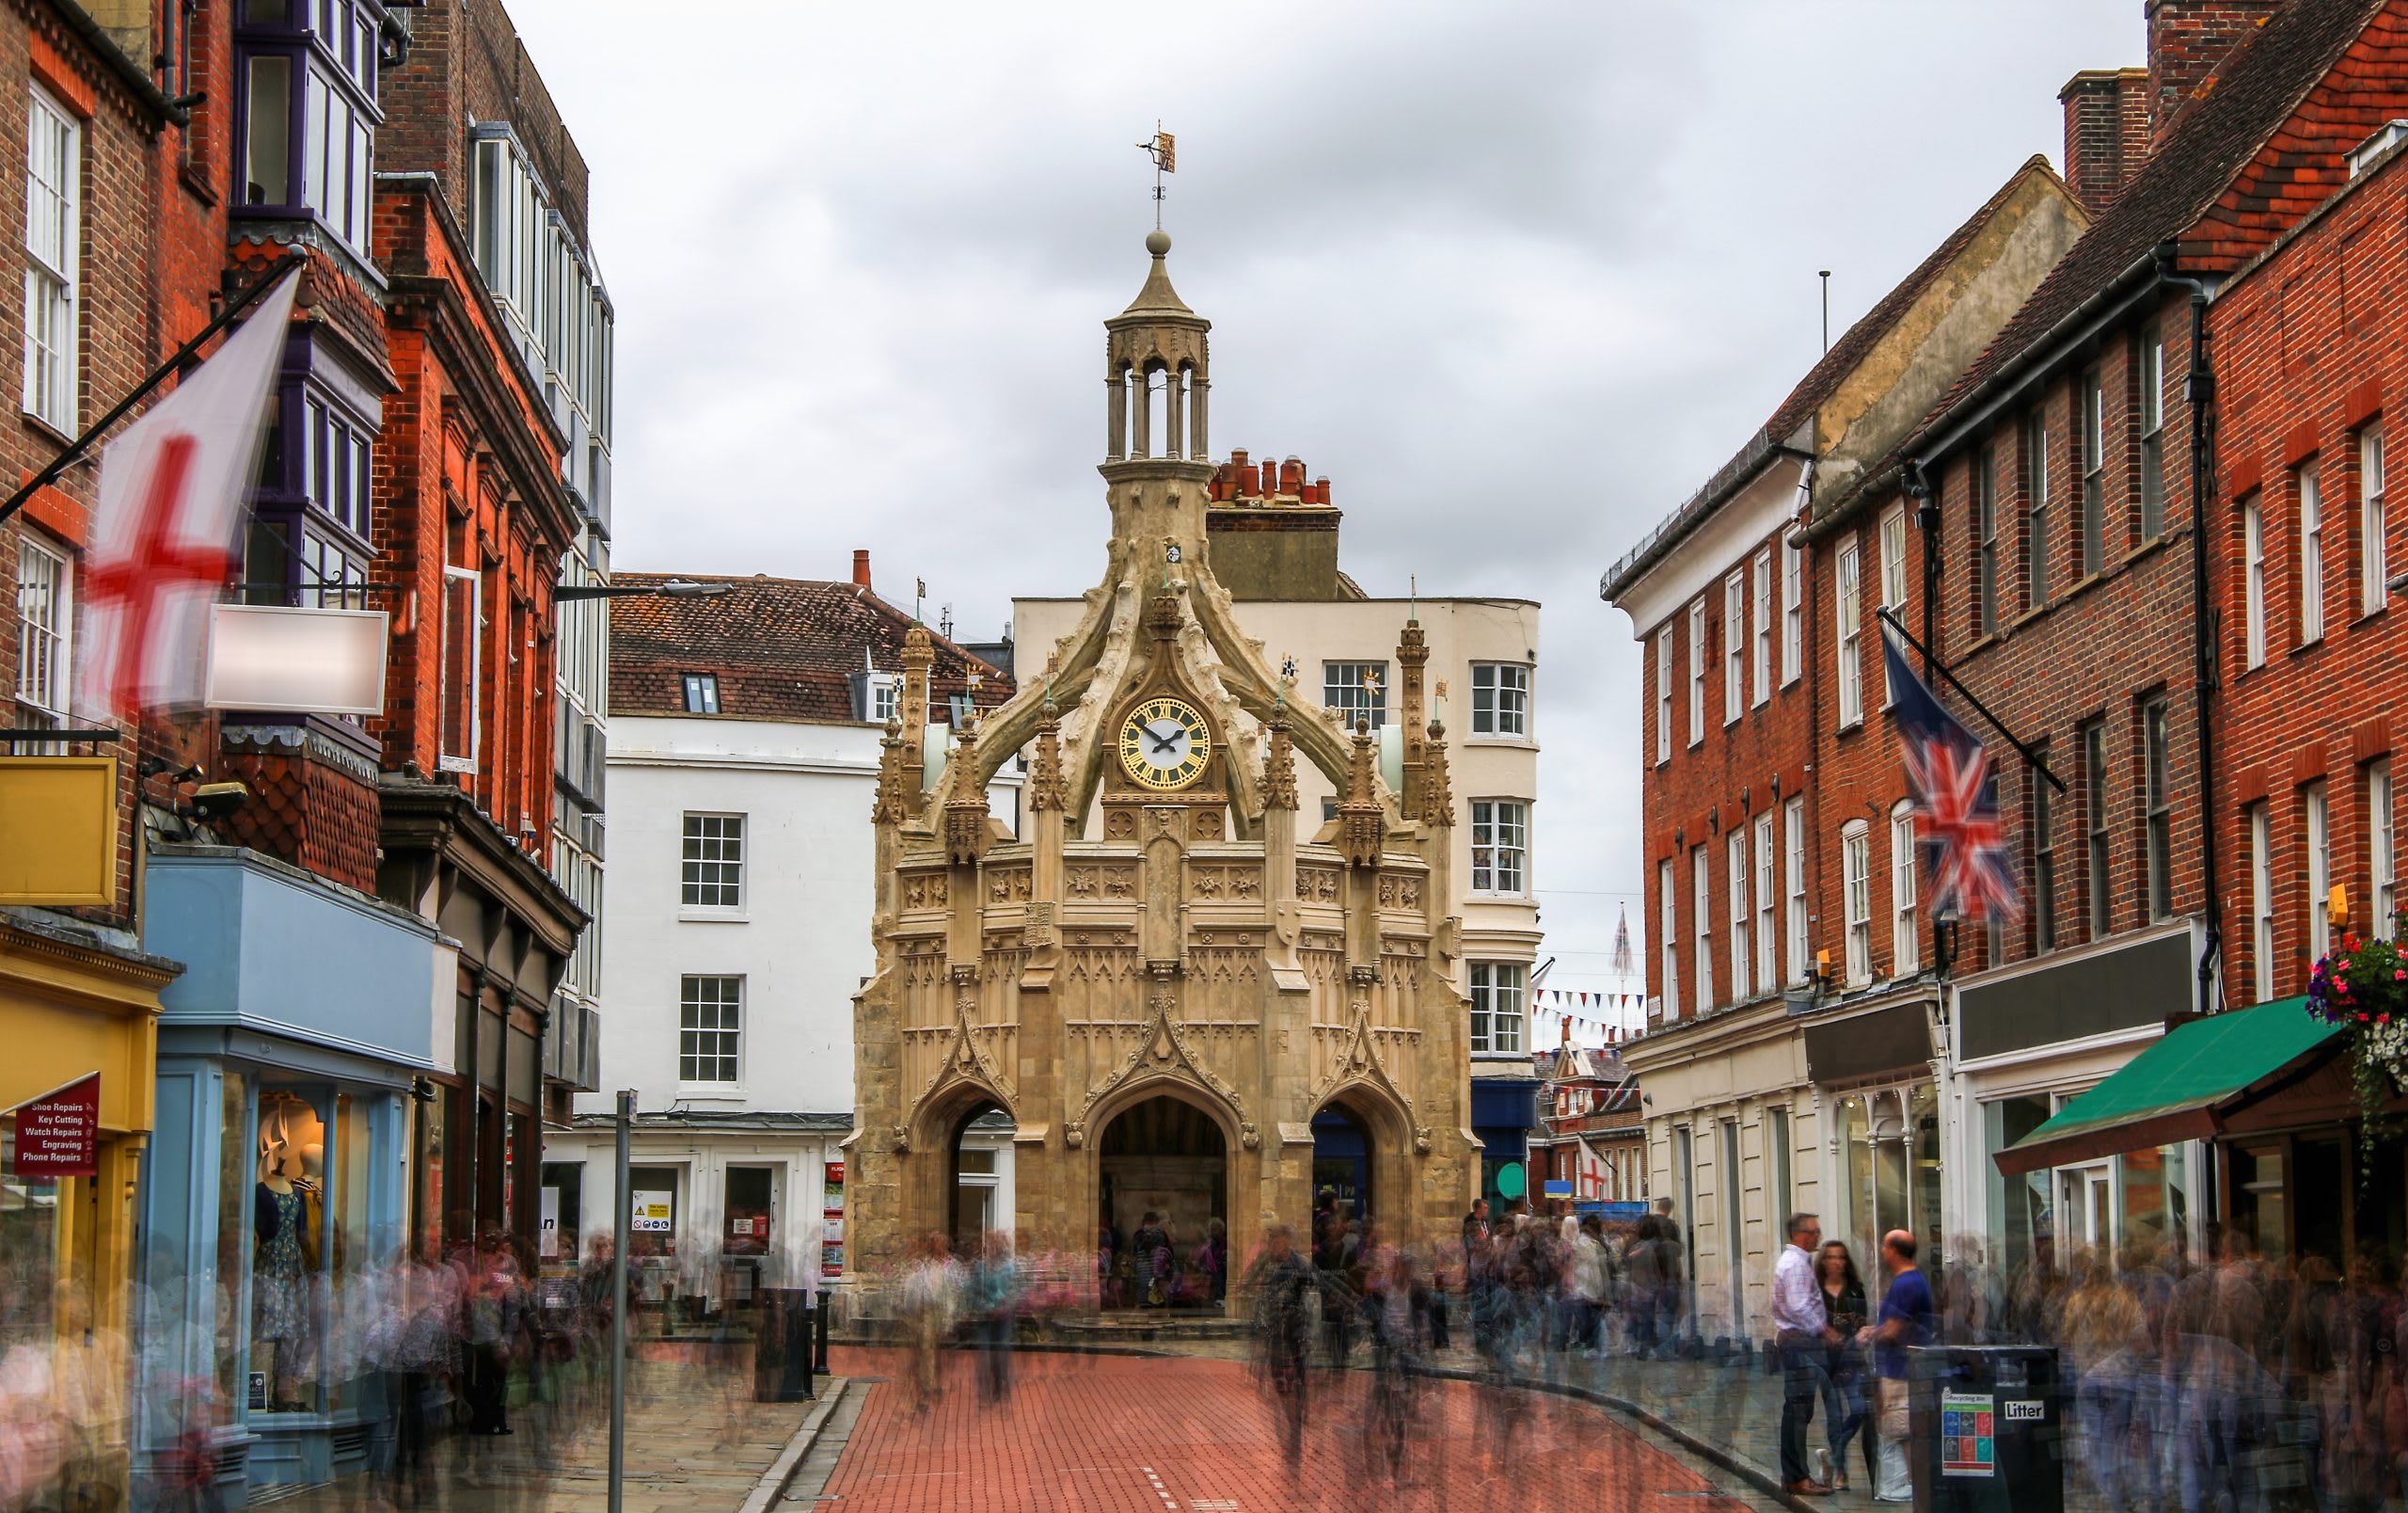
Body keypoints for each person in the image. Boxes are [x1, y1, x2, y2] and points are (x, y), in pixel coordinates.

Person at [1858, 1229, 1933, 1504]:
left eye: (1884, 1246)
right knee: (1895, 1428)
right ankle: (1897, 1484)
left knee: (1902, 1429)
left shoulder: (1907, 1284)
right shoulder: (1908, 1280)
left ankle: (1909, 1484)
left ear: (1893, 1251)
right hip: (1898, 1367)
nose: (1881, 1251)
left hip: (1901, 1369)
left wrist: (1869, 1335)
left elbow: (1893, 1330)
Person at [1773, 1212, 1836, 1497]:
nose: (1818, 1236)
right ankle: (1796, 1477)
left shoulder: (1796, 1262)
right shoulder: (1796, 1264)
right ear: (1801, 1234)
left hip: (1797, 1342)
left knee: (1798, 1410)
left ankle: (1795, 1475)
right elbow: (1798, 1306)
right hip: (1800, 1343)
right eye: (1814, 1231)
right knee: (1798, 1411)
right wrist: (1824, 1330)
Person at [1817, 1240, 1871, 1492]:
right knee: (1834, 1416)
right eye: (1831, 1257)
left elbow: (1863, 1323)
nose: (1836, 1262)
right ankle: (1841, 1471)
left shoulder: (1855, 1290)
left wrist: (1863, 1335)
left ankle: (1831, 1455)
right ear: (1823, 1261)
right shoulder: (1816, 1292)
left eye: (1841, 1257)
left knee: (1860, 1408)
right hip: (1826, 1360)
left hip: (1851, 1359)